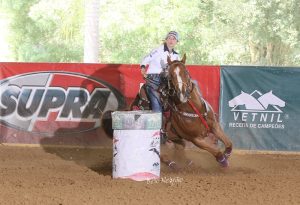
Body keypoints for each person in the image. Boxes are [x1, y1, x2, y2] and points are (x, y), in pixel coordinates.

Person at [140, 31, 180, 112]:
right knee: (157, 107)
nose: (171, 40)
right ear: (166, 40)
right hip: (154, 80)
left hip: (167, 81)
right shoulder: (158, 50)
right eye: (169, 38)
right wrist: (143, 68)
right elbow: (145, 59)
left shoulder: (176, 56)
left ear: (176, 42)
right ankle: (157, 118)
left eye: (173, 39)